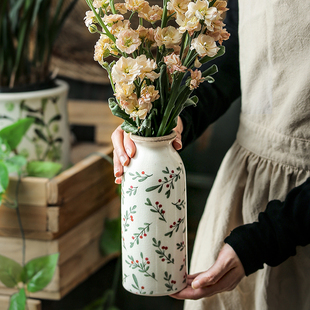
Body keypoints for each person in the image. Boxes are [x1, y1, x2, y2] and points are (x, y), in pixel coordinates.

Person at [112, 0, 310, 309]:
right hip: (246, 190)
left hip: (295, 217)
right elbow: (237, 60)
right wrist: (172, 120)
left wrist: (259, 243)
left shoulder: (262, 239)